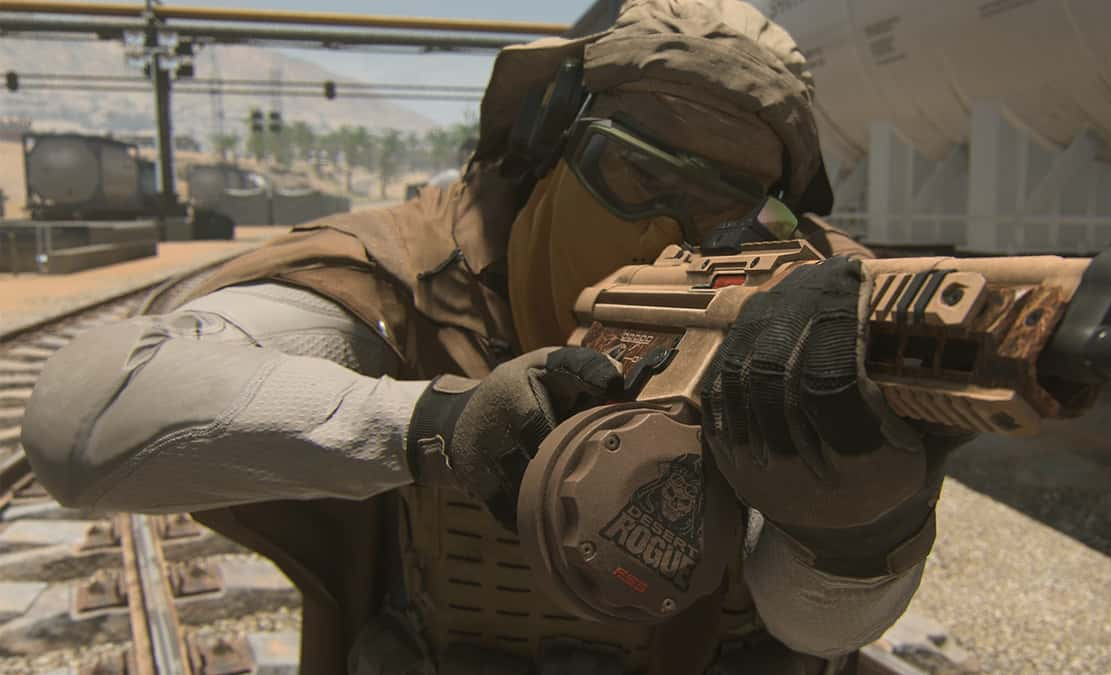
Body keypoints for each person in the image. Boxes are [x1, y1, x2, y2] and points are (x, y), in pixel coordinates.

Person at [21, 1, 967, 673]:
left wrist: (860, 525)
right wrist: (433, 424)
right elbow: (84, 421)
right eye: (633, 177)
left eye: (722, 204)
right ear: (550, 148)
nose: (670, 236)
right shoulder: (416, 264)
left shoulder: (810, 307)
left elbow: (814, 628)